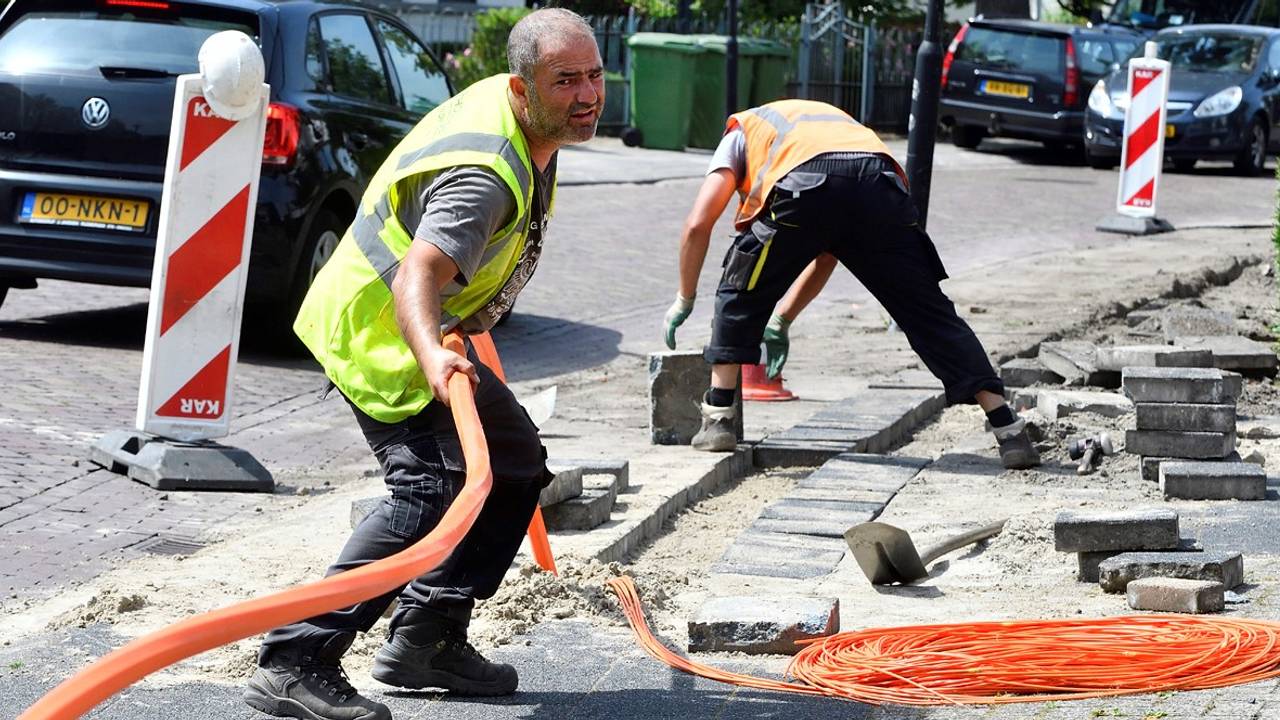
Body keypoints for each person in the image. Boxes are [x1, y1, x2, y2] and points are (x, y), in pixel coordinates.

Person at [243, 10, 604, 720]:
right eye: (566, 80)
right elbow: (418, 272)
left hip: (422, 331)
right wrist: (433, 353)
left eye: (593, 75)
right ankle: (294, 660)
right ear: (522, 86)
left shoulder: (531, 123)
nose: (587, 94)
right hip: (386, 332)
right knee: (428, 489)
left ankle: (426, 638)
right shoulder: (485, 177)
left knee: (514, 463)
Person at [662, 99, 1040, 470]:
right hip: (881, 187)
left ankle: (718, 418)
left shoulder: (740, 132)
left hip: (803, 187)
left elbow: (698, 224)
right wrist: (782, 321)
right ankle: (1008, 429)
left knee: (740, 287)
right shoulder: (828, 124)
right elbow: (828, 250)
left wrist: (685, 297)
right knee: (929, 313)